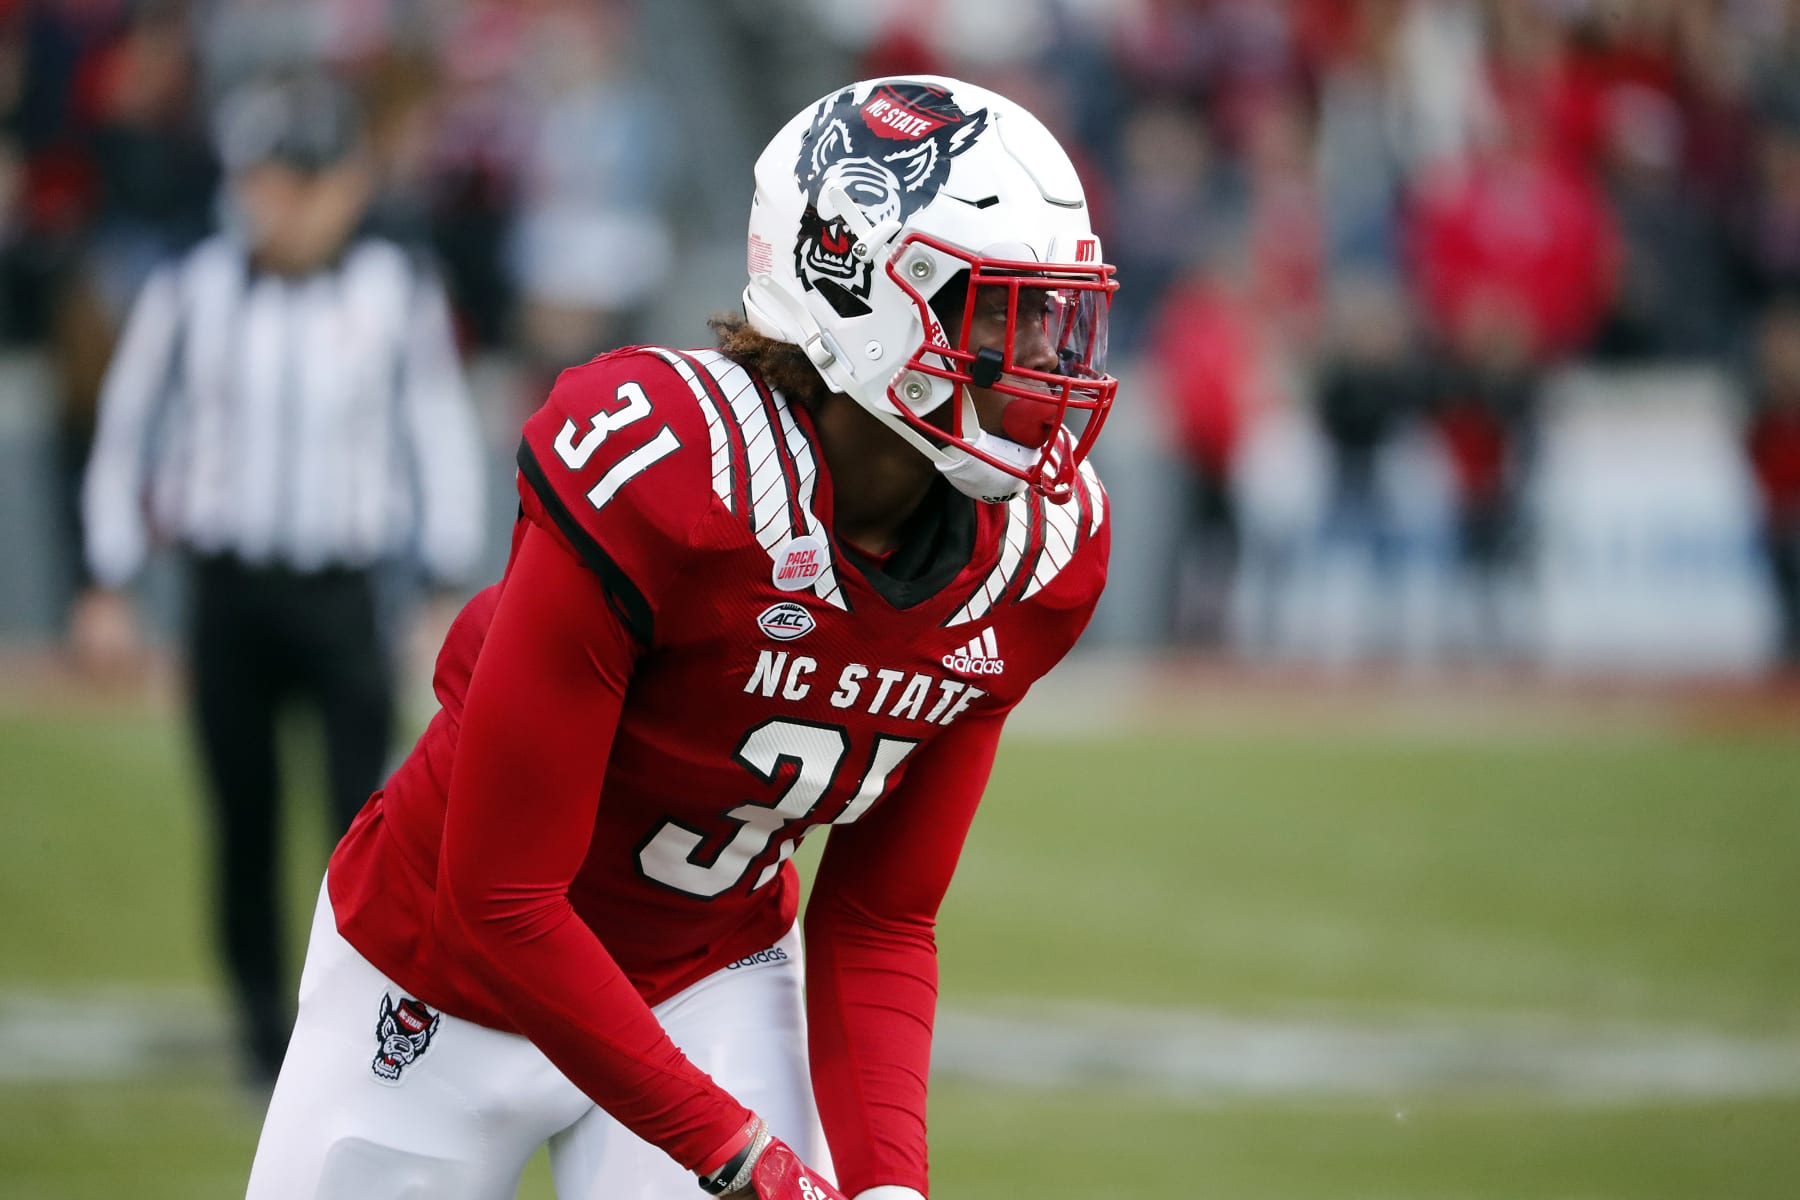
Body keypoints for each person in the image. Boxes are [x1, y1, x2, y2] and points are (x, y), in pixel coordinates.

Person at [246, 75, 1118, 1200]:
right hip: (440, 973)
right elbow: (501, 902)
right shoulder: (668, 470)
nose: (1035, 356)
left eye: (1048, 313)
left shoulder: (1035, 555)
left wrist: (892, 1183)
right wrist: (741, 1153)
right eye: (996, 308)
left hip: (710, 972)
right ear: (858, 287)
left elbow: (884, 914)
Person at [74, 73, 488, 1082]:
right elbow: (129, 432)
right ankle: (262, 1032)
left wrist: (443, 582)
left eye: (309, 181)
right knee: (244, 814)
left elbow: (436, 433)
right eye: (272, 180)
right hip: (231, 590)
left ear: (349, 185)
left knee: (370, 820)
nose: (288, 204)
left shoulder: (398, 290)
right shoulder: (192, 289)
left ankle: (356, 1023)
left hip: (346, 594)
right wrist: (109, 578)